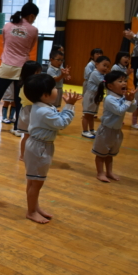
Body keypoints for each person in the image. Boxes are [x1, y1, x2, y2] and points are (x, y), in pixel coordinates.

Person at [23, 74, 80, 224]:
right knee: (36, 183)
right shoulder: (44, 111)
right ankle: (31, 211)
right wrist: (70, 106)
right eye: (54, 88)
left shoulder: (44, 106)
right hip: (39, 148)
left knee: (33, 181)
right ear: (45, 95)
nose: (57, 90)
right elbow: (62, 122)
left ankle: (35, 207)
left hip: (40, 146)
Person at [0, 2, 40, 132]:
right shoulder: (33, 30)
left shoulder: (7, 26)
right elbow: (30, 48)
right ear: (31, 15)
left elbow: (5, 43)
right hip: (22, 68)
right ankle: (17, 128)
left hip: (6, 66)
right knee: (20, 99)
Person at [92, 71, 137, 182]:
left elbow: (131, 109)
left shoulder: (122, 97)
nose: (124, 83)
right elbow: (120, 111)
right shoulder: (109, 99)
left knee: (110, 154)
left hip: (116, 131)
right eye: (120, 81)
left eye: (125, 81)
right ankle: (100, 173)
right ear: (110, 86)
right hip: (106, 131)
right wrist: (127, 101)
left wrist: (132, 99)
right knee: (101, 154)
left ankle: (109, 172)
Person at [17, 61, 43, 161]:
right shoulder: (26, 86)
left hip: (34, 111)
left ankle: (32, 154)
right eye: (37, 72)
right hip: (28, 112)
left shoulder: (34, 84)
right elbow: (30, 99)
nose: (39, 75)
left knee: (35, 136)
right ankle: (22, 155)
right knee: (27, 135)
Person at [82, 56, 111, 138]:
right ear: (97, 64)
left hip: (96, 96)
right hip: (91, 96)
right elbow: (103, 84)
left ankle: (91, 130)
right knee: (87, 115)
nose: (106, 68)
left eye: (107, 66)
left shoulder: (102, 74)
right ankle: (84, 131)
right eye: (104, 65)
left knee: (91, 115)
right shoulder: (95, 73)